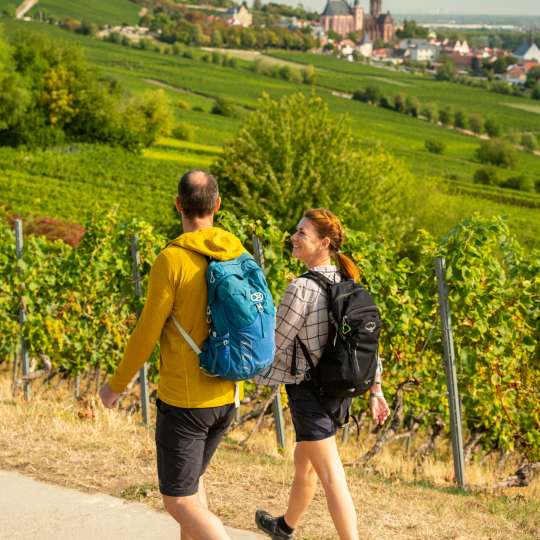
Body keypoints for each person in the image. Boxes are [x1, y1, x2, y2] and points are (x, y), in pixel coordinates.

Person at [99, 169, 246, 540]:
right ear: (217, 205)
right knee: (194, 491)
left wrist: (115, 386)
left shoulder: (172, 260)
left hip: (185, 403)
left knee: (177, 501)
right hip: (228, 395)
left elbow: (147, 332)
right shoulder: (238, 252)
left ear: (178, 204)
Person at [254, 208, 390, 540]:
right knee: (305, 463)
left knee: (331, 476)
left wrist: (244, 373)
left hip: (309, 393)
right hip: (337, 391)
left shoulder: (301, 287)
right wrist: (376, 390)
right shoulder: (347, 283)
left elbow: (275, 343)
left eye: (303, 233)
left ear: (324, 242)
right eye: (296, 230)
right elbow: (367, 345)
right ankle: (285, 526)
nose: (294, 237)